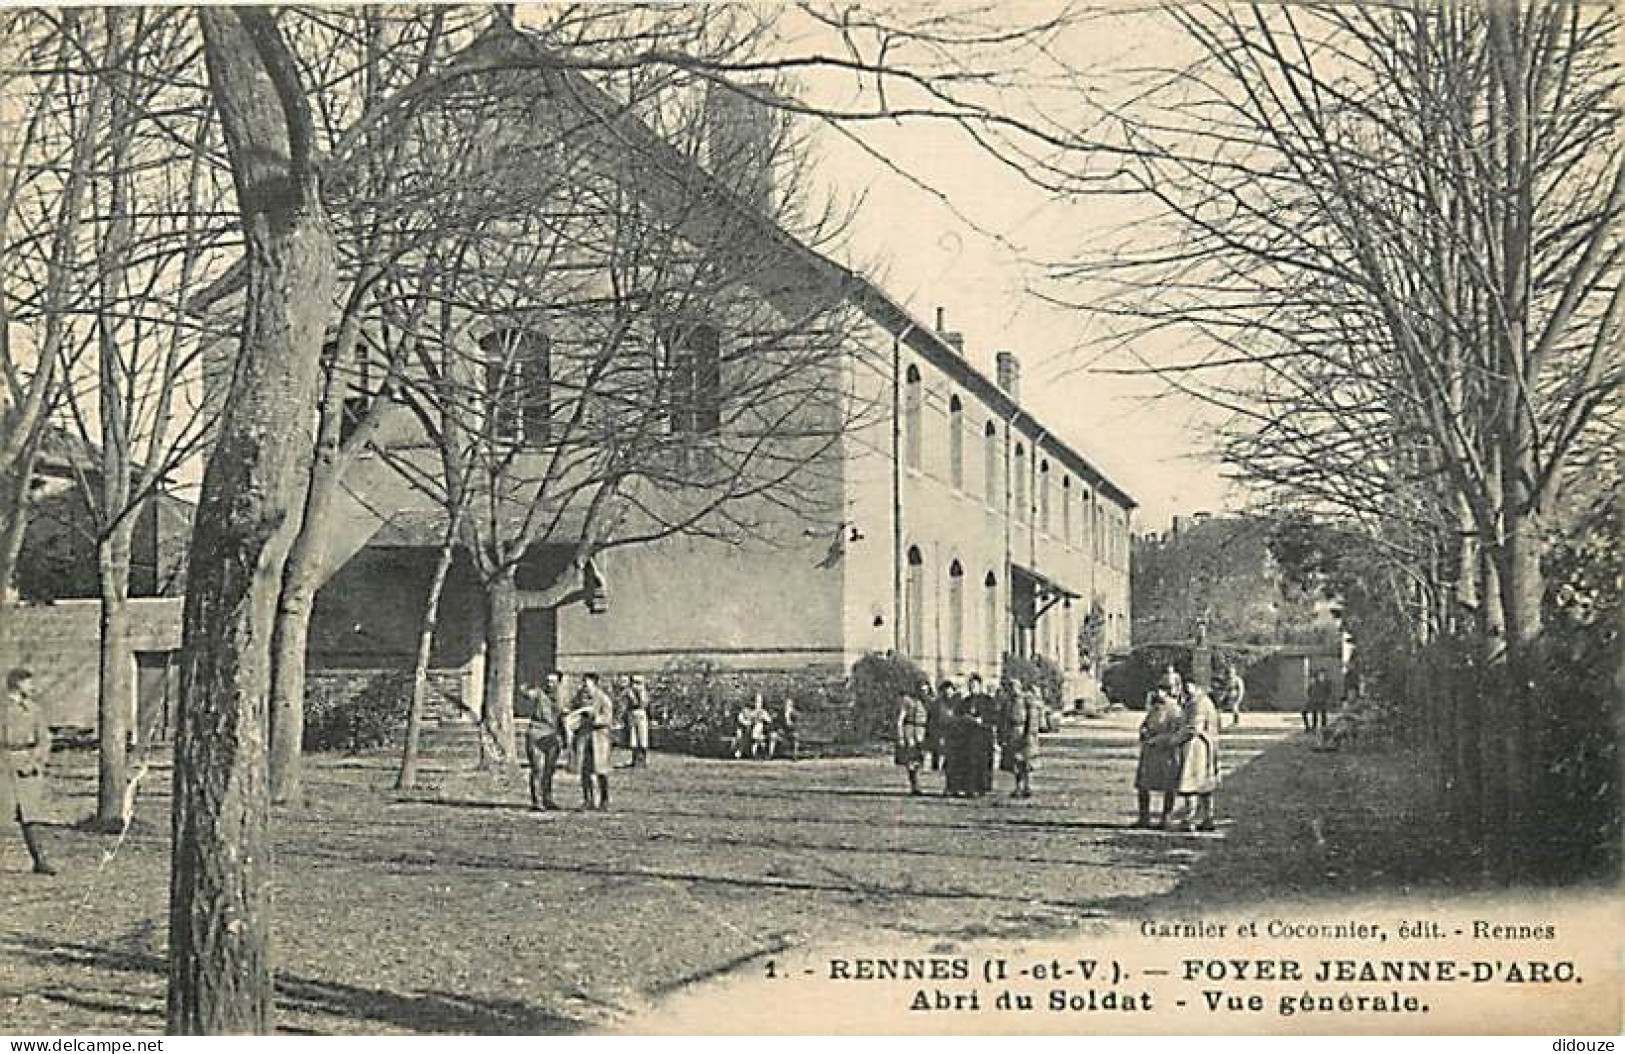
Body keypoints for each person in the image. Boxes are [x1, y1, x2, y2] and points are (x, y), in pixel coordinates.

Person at [2, 668, 55, 874]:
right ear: (16, 684)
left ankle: (39, 860)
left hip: (26, 768)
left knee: (29, 815)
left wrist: (35, 762)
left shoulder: (34, 710)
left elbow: (45, 739)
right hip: (3, 765)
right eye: (28, 683)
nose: (32, 687)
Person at [1134, 671, 1184, 828]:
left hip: (1166, 752)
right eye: (1160, 687)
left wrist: (1160, 740)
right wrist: (1143, 731)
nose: (1161, 692)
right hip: (1150, 752)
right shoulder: (1155, 708)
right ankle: (1144, 818)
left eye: (1166, 688)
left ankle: (1166, 817)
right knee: (1143, 785)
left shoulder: (1176, 710)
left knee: (1169, 785)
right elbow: (1146, 724)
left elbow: (1178, 732)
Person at [1172, 681, 1221, 832]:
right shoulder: (1207, 702)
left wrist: (1174, 740)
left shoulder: (1197, 704)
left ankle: (1189, 819)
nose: (1186, 690)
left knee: (1191, 783)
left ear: (1197, 686)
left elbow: (1194, 728)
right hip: (1208, 745)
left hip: (1196, 747)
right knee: (1205, 784)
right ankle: (1208, 818)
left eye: (1189, 686)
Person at [570, 673, 616, 810]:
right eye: (583, 684)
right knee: (585, 769)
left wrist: (595, 717)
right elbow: (572, 709)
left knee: (601, 770)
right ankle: (588, 800)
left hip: (600, 738)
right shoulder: (579, 697)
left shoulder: (603, 699)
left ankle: (604, 800)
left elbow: (608, 718)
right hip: (584, 736)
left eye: (587, 684)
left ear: (595, 684)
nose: (584, 687)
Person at [523, 674, 566, 811]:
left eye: (553, 682)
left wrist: (564, 737)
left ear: (559, 683)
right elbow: (526, 693)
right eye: (547, 682)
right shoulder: (539, 694)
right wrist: (528, 685)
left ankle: (548, 798)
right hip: (537, 734)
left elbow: (562, 720)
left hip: (553, 736)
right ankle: (537, 801)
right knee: (538, 769)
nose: (550, 685)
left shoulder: (561, 699)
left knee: (549, 770)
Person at [1008, 682, 1045, 798]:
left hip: (1025, 733)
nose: (1012, 691)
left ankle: (1028, 786)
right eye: (1010, 688)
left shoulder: (1027, 701)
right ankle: (1018, 787)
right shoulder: (1010, 701)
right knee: (1016, 763)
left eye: (1014, 688)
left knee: (1027, 762)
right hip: (1014, 734)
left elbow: (1032, 719)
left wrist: (1029, 734)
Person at [894, 680, 930, 795]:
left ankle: (917, 784)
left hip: (922, 731)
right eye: (921, 690)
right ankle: (915, 785)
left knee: (920, 759)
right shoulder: (908, 701)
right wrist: (900, 736)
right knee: (911, 759)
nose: (923, 692)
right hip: (910, 730)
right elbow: (900, 720)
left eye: (926, 690)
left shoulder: (928, 702)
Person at [963, 674, 997, 796]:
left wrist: (982, 720)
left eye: (975, 685)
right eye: (970, 686)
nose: (972, 688)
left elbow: (994, 717)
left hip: (984, 736)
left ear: (980, 686)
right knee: (970, 763)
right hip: (969, 737)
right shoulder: (965, 701)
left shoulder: (988, 701)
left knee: (983, 763)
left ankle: (983, 787)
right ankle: (970, 788)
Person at [622, 675, 651, 768]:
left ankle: (642, 760)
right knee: (634, 736)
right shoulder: (633, 691)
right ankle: (636, 760)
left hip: (639, 712)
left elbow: (643, 703)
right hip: (634, 713)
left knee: (641, 736)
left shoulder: (640, 691)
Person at [1305, 670, 1333, 734]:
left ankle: (1324, 727)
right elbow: (1309, 691)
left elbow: (1329, 692)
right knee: (1314, 714)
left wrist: (1325, 698)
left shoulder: (1327, 683)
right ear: (1318, 676)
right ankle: (1314, 727)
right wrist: (1312, 697)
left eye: (1323, 675)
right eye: (1320, 675)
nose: (1322, 676)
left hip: (1323, 701)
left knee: (1323, 714)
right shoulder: (1316, 683)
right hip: (1315, 701)